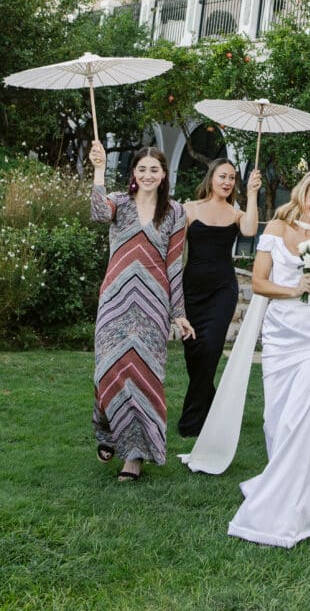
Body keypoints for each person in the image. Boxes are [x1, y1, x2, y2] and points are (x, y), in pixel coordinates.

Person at [228, 169, 310, 548]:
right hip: (281, 339)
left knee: (304, 419)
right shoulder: (277, 229)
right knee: (276, 420)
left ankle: (291, 505)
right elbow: (259, 282)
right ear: (302, 195)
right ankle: (301, 481)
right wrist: (292, 288)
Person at [89, 140, 195, 482]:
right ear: (134, 173)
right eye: (142, 169)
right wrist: (99, 169)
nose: (148, 175)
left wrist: (178, 313)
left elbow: (174, 265)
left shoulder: (176, 213)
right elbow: (97, 212)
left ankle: (133, 457)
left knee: (144, 375)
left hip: (152, 303)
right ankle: (107, 430)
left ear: (164, 175)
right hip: (115, 299)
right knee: (106, 370)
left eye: (155, 169)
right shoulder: (119, 203)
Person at [177, 159, 262, 437]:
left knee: (211, 348)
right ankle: (212, 404)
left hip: (222, 291)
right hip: (192, 290)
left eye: (232, 178)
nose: (227, 182)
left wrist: (252, 194)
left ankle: (192, 422)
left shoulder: (236, 214)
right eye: (222, 176)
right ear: (211, 177)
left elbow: (250, 230)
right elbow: (176, 253)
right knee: (194, 353)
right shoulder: (189, 209)